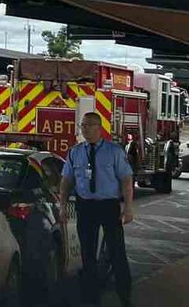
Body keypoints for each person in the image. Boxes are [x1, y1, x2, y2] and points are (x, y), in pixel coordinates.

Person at [59, 112, 134, 307]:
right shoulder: (75, 152)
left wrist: (128, 208)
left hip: (108, 206)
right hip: (86, 206)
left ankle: (125, 297)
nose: (84, 129)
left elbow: (126, 179)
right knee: (87, 254)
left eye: (89, 125)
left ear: (99, 128)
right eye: (82, 125)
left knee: (117, 252)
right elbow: (66, 181)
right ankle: (91, 298)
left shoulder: (114, 151)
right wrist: (63, 206)